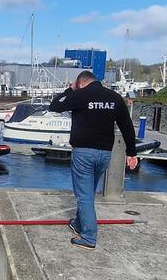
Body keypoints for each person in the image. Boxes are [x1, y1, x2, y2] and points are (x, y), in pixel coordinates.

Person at [49, 70, 138, 249]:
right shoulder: (114, 97)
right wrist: (131, 152)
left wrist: (69, 90)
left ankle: (89, 237)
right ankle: (79, 224)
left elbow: (54, 106)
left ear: (80, 83)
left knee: (84, 196)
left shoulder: (80, 95)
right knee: (88, 192)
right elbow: (126, 125)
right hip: (104, 154)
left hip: (83, 153)